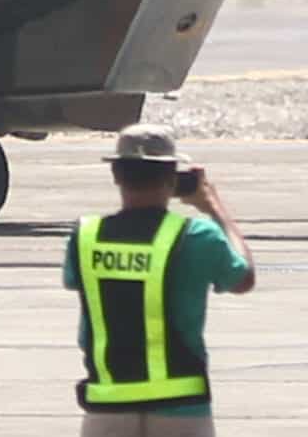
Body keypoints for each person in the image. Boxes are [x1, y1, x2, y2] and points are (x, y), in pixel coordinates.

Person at [62, 123, 257, 436]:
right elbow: (243, 278)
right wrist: (213, 207)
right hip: (180, 407)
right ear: (171, 178)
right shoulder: (197, 237)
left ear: (116, 174)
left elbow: (79, 282)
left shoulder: (85, 237)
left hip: (107, 404)